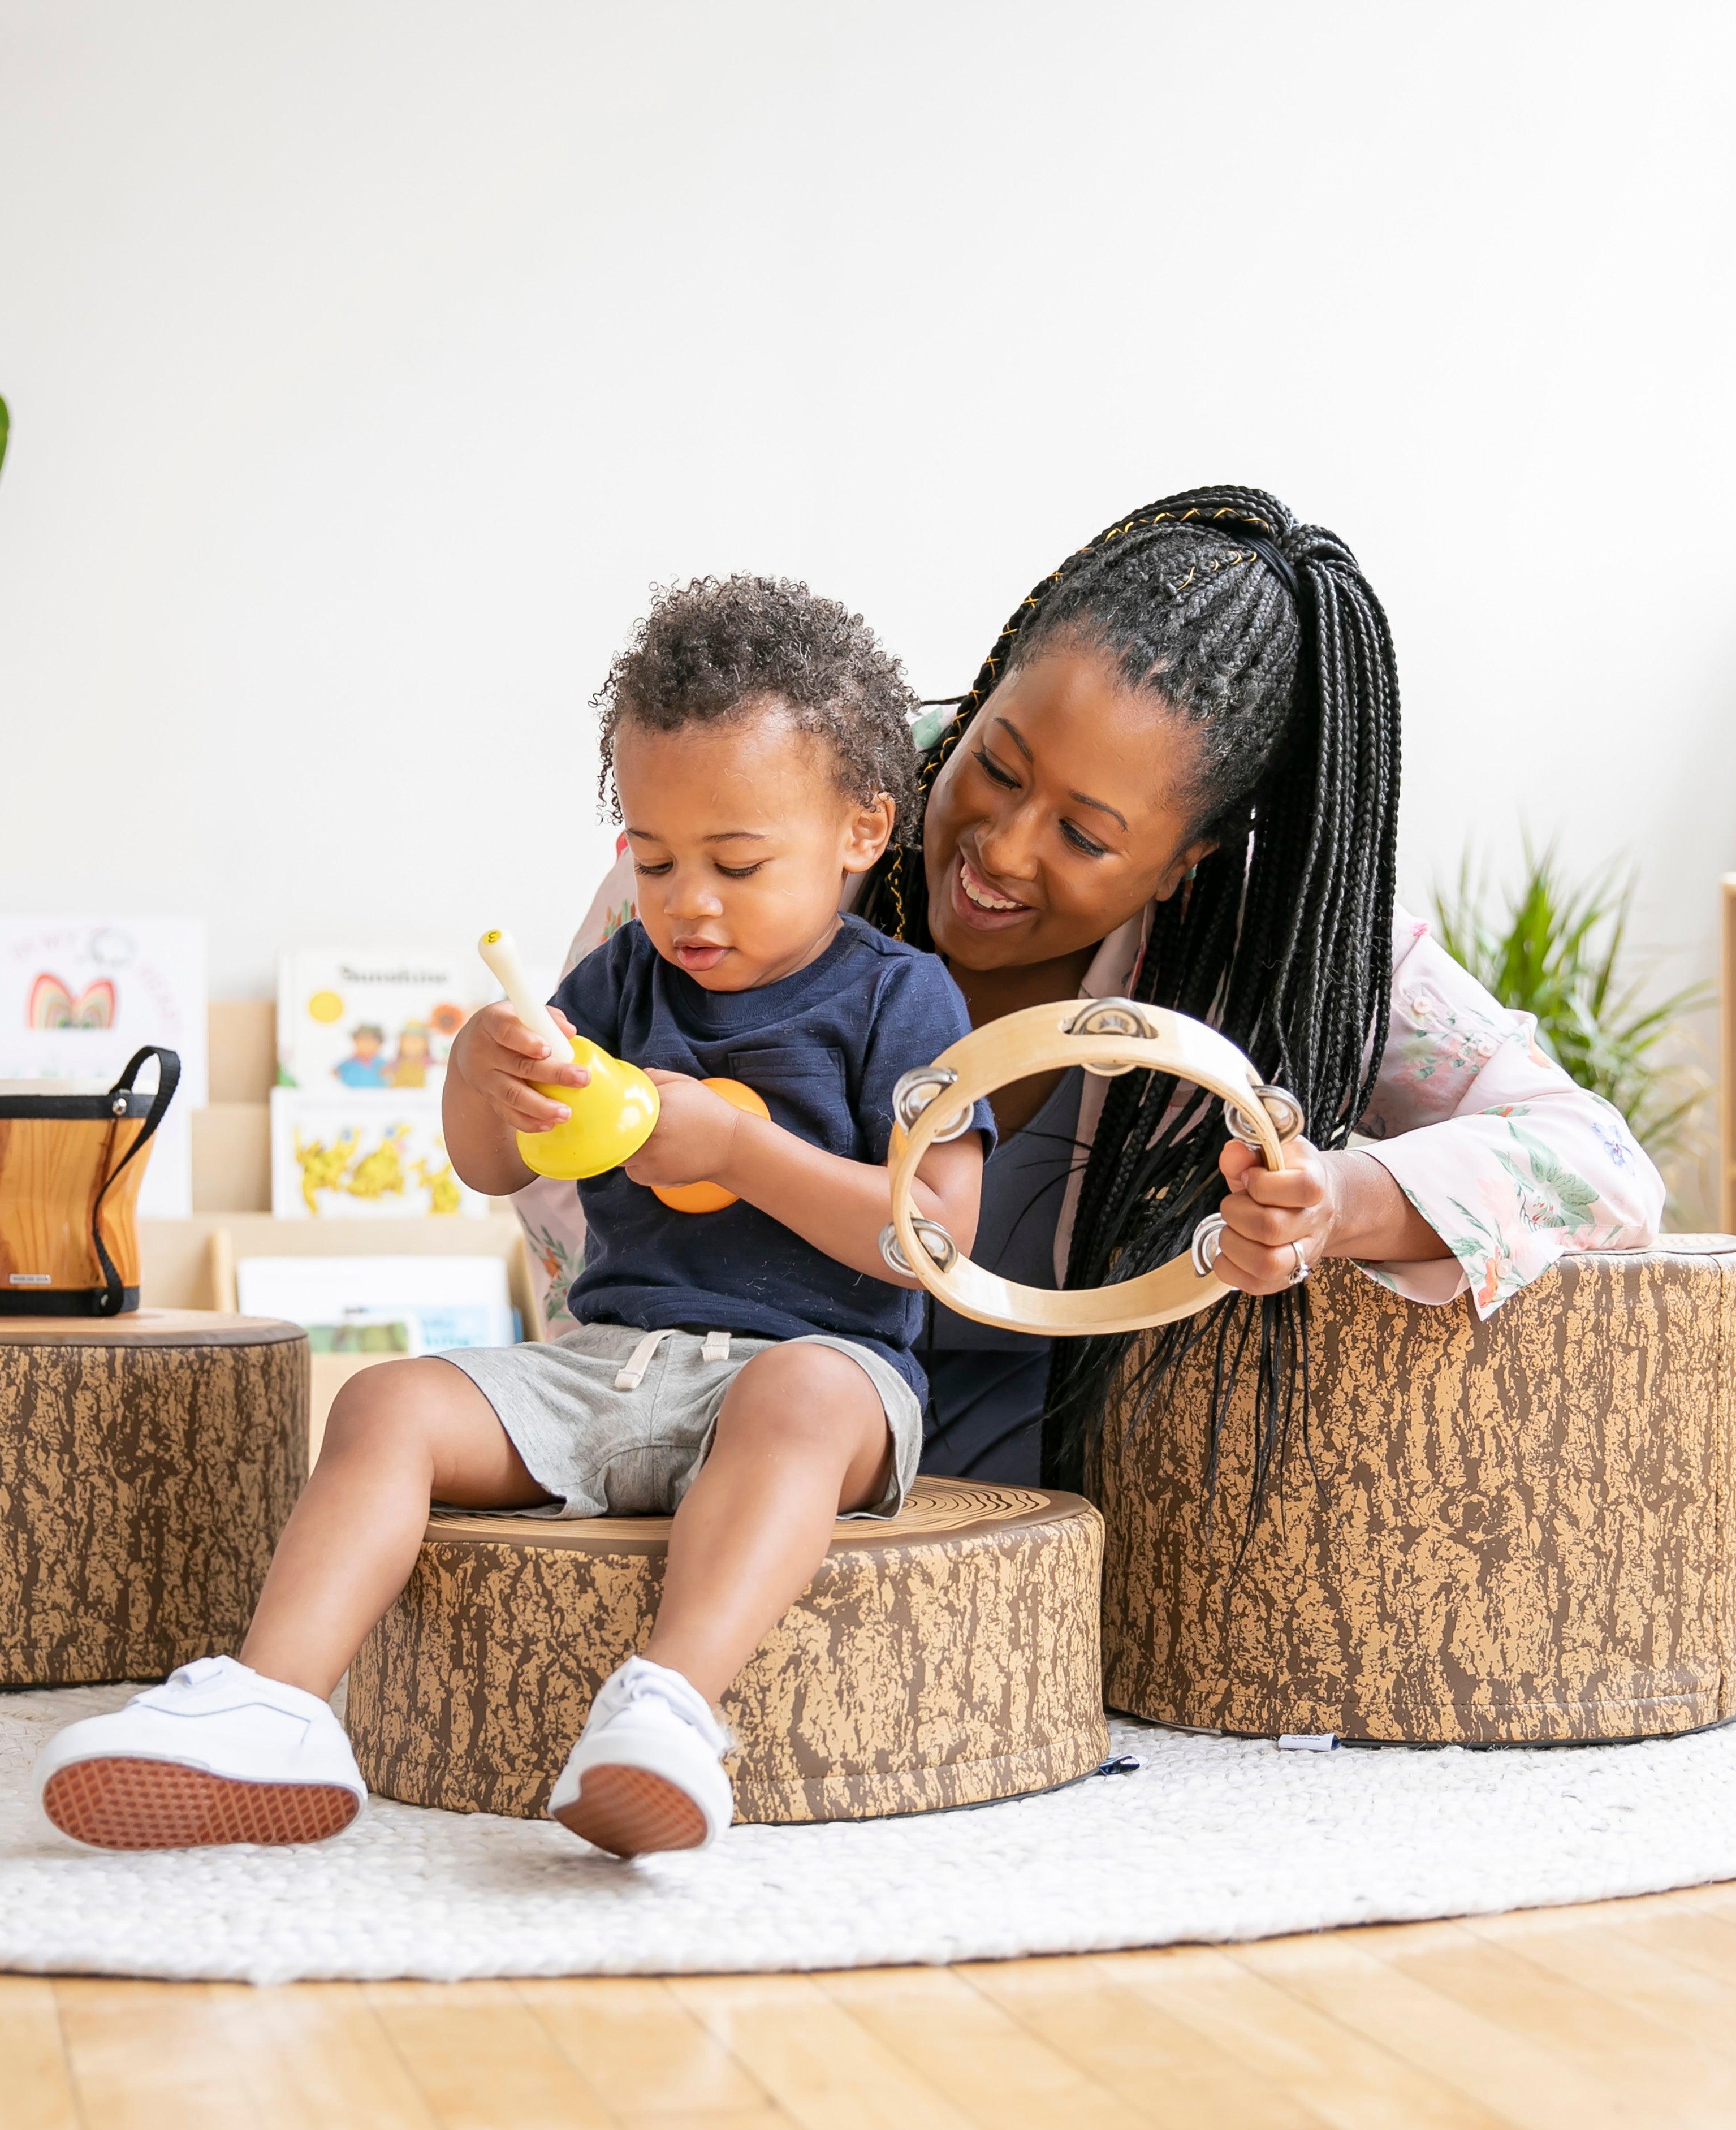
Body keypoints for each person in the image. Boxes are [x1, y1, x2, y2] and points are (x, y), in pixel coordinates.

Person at [31, 577, 989, 1859]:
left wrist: (740, 1150)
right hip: (606, 1364)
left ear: (861, 828)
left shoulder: (903, 999)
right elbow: (491, 1166)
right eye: (651, 859)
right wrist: (474, 1073)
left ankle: (667, 1706)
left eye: (736, 863)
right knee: (385, 1403)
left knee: (802, 1402)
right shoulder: (619, 978)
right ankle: (274, 1703)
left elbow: (932, 1236)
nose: (687, 900)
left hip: (816, 1376)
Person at [518, 487, 1668, 1488]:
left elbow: (1597, 1161)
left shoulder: (1270, 933)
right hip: (714, 1414)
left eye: (1081, 832)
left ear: (1187, 859)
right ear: (981, 688)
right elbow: (565, 1172)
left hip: (1067, 1453)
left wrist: (1335, 1199)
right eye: (993, 762)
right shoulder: (767, 812)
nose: (999, 850)